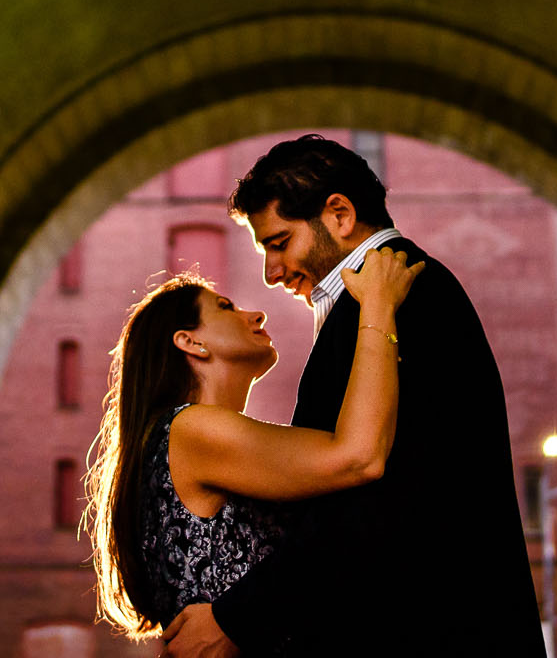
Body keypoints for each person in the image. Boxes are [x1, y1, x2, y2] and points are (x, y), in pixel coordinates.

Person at [164, 134, 546, 658]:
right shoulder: (381, 301)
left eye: (279, 243)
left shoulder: (400, 298)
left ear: (339, 214)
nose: (271, 275)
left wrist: (239, 617)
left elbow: (372, 499)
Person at [83, 245, 423, 638]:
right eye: (226, 308)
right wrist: (379, 305)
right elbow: (359, 457)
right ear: (190, 343)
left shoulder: (182, 438)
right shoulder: (192, 430)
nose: (256, 314)